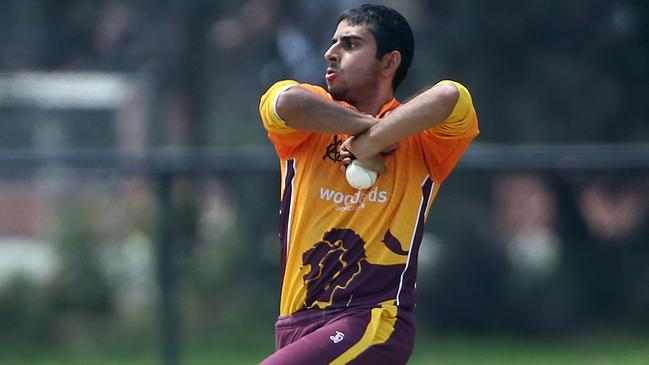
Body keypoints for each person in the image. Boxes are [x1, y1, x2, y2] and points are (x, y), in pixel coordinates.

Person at [258, 4, 478, 364]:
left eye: (351, 44)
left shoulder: (422, 142)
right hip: (294, 323)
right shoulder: (309, 120)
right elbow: (285, 102)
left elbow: (450, 96)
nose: (331, 53)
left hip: (372, 319)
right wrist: (365, 131)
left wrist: (367, 144)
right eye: (333, 43)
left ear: (389, 63)